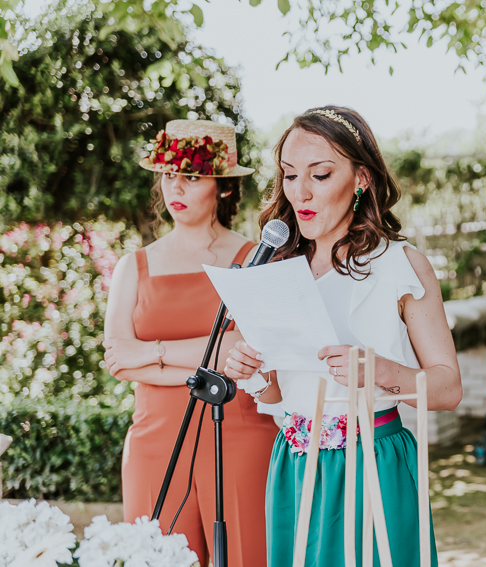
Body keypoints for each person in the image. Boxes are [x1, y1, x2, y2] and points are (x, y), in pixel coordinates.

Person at [223, 106, 462, 567]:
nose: (301, 192)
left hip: (374, 460)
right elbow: (278, 394)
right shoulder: (273, 267)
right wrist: (253, 373)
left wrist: (382, 372)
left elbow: (449, 387)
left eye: (321, 174)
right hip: (293, 463)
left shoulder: (401, 266)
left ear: (361, 179)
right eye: (290, 176)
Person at [103, 120, 279, 566]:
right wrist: (209, 359)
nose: (175, 187)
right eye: (168, 174)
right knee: (156, 557)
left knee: (247, 554)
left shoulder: (256, 259)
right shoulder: (133, 266)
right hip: (154, 440)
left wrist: (153, 352)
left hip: (240, 434)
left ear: (222, 187)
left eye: (192, 177)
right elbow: (119, 361)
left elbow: (244, 350)